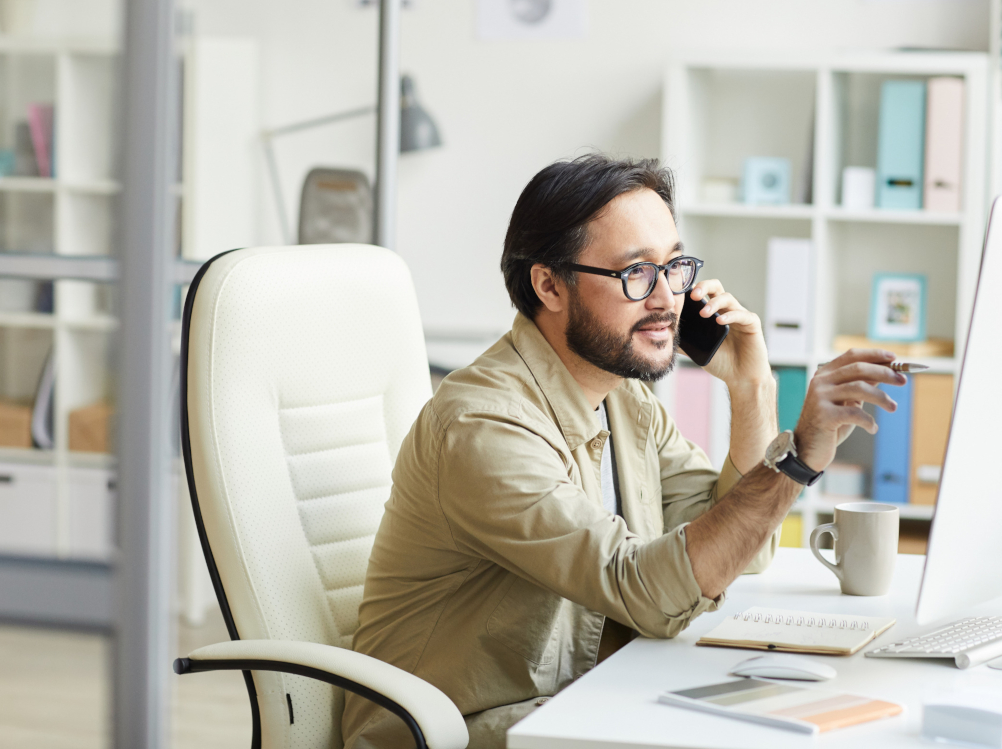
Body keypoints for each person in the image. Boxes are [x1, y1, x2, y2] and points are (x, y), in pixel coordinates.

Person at [342, 154, 905, 749]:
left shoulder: (624, 399)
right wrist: (798, 461)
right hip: (462, 731)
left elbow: (732, 552)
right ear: (549, 285)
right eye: (637, 272)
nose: (667, 299)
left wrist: (752, 387)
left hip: (578, 701)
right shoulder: (484, 427)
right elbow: (646, 589)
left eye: (674, 267)